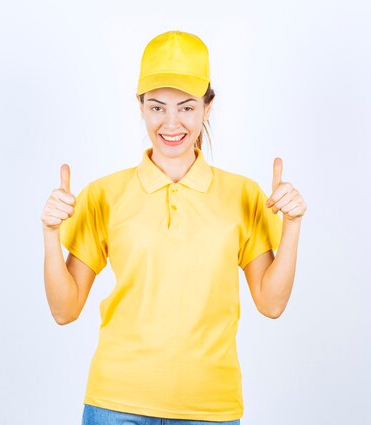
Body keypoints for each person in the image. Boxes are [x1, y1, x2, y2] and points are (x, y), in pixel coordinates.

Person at [41, 30, 307, 425]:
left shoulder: (242, 195)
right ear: (141, 107)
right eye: (157, 107)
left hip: (210, 410)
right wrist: (49, 235)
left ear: (207, 107)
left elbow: (272, 304)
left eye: (186, 108)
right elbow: (64, 311)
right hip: (116, 404)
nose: (171, 123)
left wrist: (293, 226)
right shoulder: (105, 195)